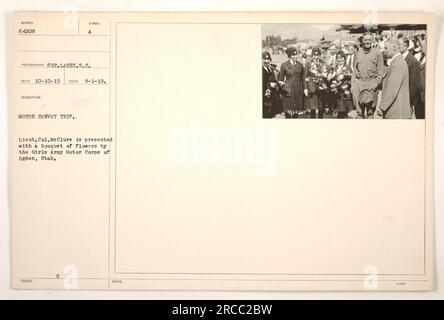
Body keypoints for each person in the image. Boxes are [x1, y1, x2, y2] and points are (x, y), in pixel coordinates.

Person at [352, 32, 385, 118]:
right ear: (362, 41)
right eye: (366, 40)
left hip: (371, 85)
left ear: (372, 41)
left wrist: (375, 85)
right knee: (359, 112)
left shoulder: (378, 53)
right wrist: (354, 85)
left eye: (370, 40)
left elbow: (380, 72)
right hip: (359, 84)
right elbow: (354, 70)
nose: (367, 42)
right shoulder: (357, 53)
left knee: (370, 112)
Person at [376, 38, 411, 119]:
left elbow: (392, 89)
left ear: (394, 47)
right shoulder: (396, 61)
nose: (384, 50)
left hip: (396, 112)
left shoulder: (398, 63)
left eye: (386, 48)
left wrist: (382, 107)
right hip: (396, 110)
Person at [278, 47, 305, 118]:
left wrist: (304, 89)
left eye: (296, 55)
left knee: (296, 110)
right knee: (288, 110)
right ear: (289, 56)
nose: (295, 57)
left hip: (298, 89)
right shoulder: (284, 65)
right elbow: (281, 79)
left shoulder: (300, 65)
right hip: (288, 89)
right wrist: (282, 88)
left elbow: (303, 79)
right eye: (293, 55)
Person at [400, 38, 421, 119]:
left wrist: (407, 101)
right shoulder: (400, 58)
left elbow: (414, 84)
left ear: (405, 46)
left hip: (407, 101)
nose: (397, 47)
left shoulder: (412, 61)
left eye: (399, 45)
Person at [304, 48, 325, 118]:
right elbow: (305, 77)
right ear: (312, 55)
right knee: (313, 108)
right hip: (311, 88)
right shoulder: (308, 64)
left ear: (319, 55)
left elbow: (325, 75)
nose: (316, 57)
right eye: (314, 55)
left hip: (321, 87)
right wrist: (306, 88)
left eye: (317, 55)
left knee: (321, 107)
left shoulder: (323, 63)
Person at [262, 51, 280, 118]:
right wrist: (270, 85)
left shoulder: (270, 68)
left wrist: (277, 83)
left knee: (270, 114)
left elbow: (273, 79)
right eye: (265, 59)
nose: (267, 61)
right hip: (264, 94)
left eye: (268, 59)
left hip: (271, 95)